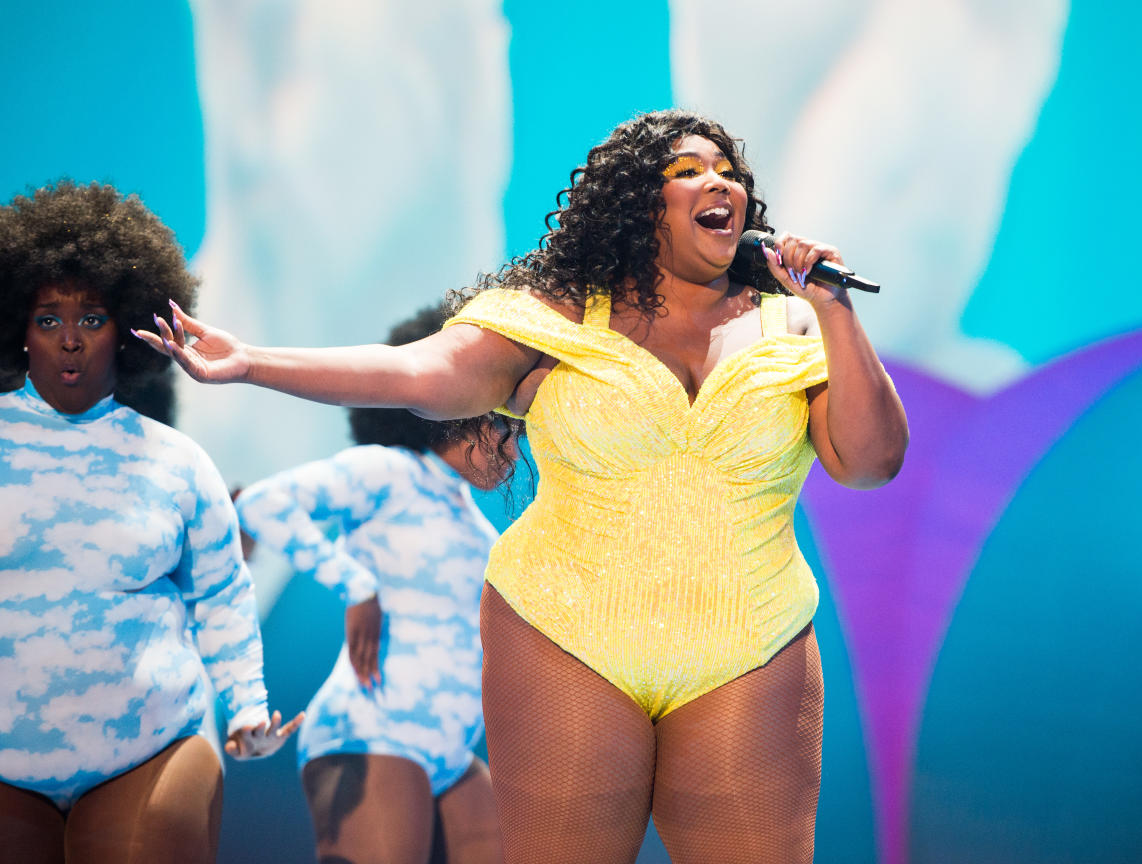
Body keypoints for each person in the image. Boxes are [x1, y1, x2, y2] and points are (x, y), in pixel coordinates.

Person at [137, 109, 909, 863]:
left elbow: (871, 463)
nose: (720, 183)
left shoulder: (794, 327)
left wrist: (833, 307)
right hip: (564, 631)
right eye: (689, 171)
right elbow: (421, 374)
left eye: (729, 173)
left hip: (753, 638)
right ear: (641, 205)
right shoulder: (558, 315)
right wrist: (253, 361)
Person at [0, 180, 302, 864]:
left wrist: (249, 708)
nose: (70, 340)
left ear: (130, 331)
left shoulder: (179, 463)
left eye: (94, 318)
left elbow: (223, 596)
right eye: (48, 319)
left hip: (147, 751)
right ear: (16, 327)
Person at [233, 305, 508, 864]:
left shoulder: (482, 528)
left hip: (452, 755)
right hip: (371, 729)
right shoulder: (389, 471)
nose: (513, 445)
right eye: (502, 423)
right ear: (461, 407)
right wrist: (356, 584)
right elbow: (263, 504)